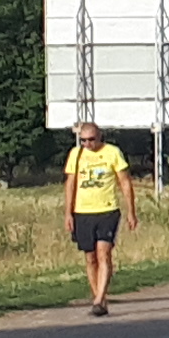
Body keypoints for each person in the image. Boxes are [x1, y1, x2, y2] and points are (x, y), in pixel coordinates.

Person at [63, 116, 132, 312]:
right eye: (83, 140)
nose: (87, 144)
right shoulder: (76, 155)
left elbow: (125, 182)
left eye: (91, 140)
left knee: (104, 253)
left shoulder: (112, 153)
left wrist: (131, 211)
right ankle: (99, 298)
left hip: (107, 210)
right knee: (90, 256)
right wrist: (68, 213)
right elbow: (70, 184)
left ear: (99, 137)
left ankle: (99, 298)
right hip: (82, 211)